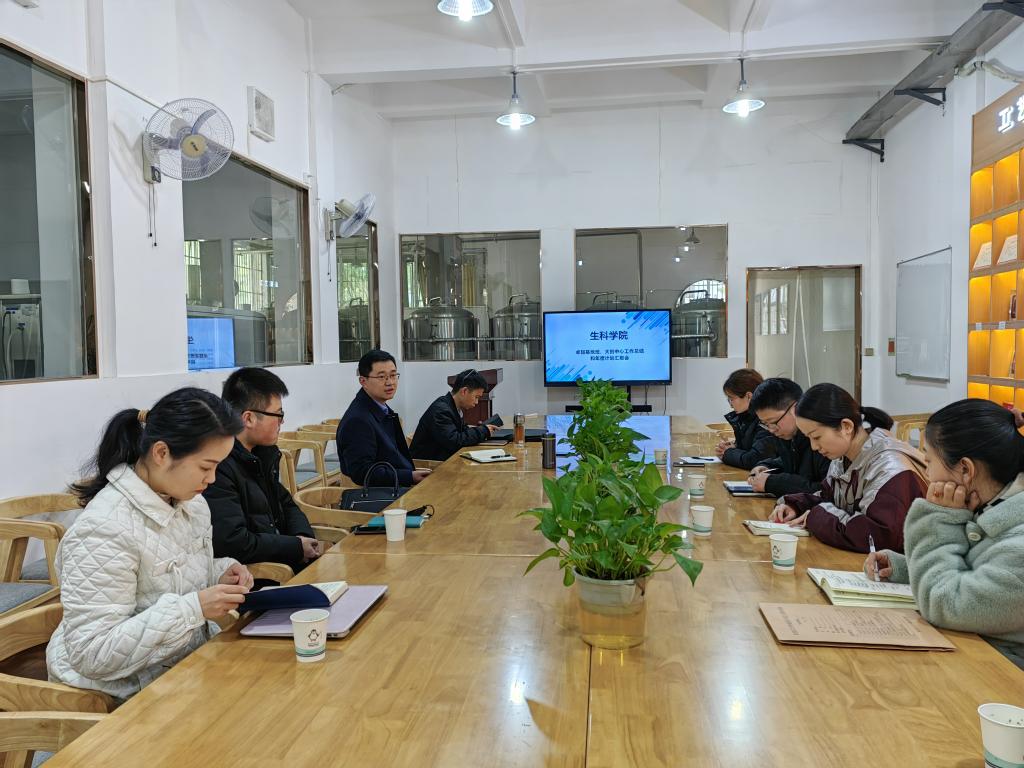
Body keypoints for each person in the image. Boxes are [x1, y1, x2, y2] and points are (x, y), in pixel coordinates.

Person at [47, 388, 253, 702]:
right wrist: (194, 608)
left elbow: (163, 580)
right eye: (205, 467)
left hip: (177, 667)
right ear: (161, 453)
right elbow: (93, 653)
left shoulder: (191, 504)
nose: (212, 479)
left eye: (217, 467)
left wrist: (220, 573)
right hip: (114, 693)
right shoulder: (103, 529)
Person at [864, 399, 1024, 670]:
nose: (926, 473)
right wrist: (906, 567)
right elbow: (978, 570)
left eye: (928, 461)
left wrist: (937, 519)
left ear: (965, 469)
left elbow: (944, 602)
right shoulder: (993, 505)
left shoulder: (1018, 546)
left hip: (1001, 679)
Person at [768, 383, 927, 553]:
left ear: (846, 426)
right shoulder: (843, 457)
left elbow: (878, 537)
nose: (814, 447)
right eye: (809, 438)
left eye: (816, 437)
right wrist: (797, 506)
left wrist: (816, 516)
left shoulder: (890, 466)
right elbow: (828, 499)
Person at [204, 367, 320, 574]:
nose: (282, 421)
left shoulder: (262, 454)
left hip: (286, 559)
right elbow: (233, 541)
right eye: (278, 414)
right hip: (261, 577)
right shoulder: (218, 468)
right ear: (248, 418)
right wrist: (294, 547)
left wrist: (303, 538)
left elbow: (286, 504)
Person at [337, 349, 431, 486]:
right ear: (363, 381)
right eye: (382, 377)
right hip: (382, 494)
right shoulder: (358, 421)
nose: (390, 382)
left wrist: (410, 474)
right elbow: (362, 472)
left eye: (393, 375)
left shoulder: (381, 407)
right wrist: (409, 476)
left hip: (396, 484)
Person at [746, 378, 831, 496]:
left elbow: (826, 492)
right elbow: (790, 462)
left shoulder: (823, 438)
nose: (771, 429)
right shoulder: (788, 435)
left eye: (773, 422)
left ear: (795, 409)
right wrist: (766, 466)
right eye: (765, 424)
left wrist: (773, 483)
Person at [409, 369, 499, 461]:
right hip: (427, 465)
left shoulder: (453, 406)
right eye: (476, 397)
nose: (476, 402)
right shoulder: (441, 410)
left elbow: (462, 432)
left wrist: (484, 429)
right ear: (464, 391)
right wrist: (483, 431)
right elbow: (455, 441)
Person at [715, 368, 776, 469]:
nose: (731, 405)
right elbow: (750, 449)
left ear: (748, 396)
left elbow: (756, 458)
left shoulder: (766, 420)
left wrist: (728, 453)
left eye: (731, 399)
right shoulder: (746, 419)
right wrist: (734, 447)